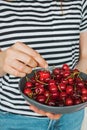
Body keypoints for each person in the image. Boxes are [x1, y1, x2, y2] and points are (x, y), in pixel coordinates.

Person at [0, 0, 87, 130]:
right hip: (15, 119)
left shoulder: (80, 1)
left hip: (70, 115)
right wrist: (2, 61)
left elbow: (85, 56)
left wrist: (70, 89)